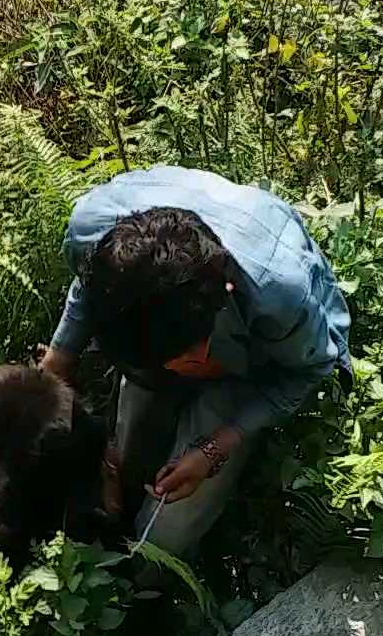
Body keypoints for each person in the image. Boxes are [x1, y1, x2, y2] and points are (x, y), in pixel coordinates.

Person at [39, 165, 352, 556]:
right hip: (169, 325)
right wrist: (56, 369)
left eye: (191, 357)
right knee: (128, 456)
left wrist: (214, 449)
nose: (189, 366)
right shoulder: (92, 230)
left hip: (253, 361)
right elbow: (88, 291)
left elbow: (310, 370)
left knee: (167, 534)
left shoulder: (280, 296)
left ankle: (143, 577)